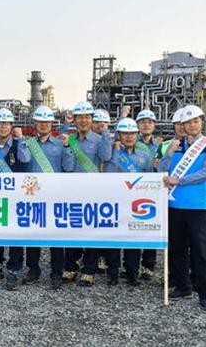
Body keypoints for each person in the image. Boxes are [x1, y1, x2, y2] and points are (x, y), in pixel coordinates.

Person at [159, 105, 206, 311]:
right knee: (177, 248)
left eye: (195, 121)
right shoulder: (175, 145)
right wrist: (168, 154)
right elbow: (161, 170)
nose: (192, 125)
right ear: (182, 125)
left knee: (200, 250)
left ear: (201, 122)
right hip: (174, 204)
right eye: (187, 122)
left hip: (197, 205)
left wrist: (179, 180)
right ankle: (183, 286)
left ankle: (205, 292)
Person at [14, 105, 74, 290]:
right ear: (34, 123)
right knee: (33, 236)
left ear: (51, 124)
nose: (43, 124)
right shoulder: (28, 143)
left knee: (56, 237)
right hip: (33, 196)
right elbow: (23, 159)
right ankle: (33, 270)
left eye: (46, 122)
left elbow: (69, 167)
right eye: (40, 121)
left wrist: (68, 147)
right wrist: (21, 140)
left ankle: (56, 272)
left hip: (55, 196)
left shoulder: (60, 143)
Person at [62, 101, 113, 287]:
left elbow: (106, 157)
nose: (83, 121)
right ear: (75, 120)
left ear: (92, 119)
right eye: (79, 117)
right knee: (72, 229)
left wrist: (105, 132)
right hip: (73, 191)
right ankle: (71, 266)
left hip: (94, 191)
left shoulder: (100, 140)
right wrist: (67, 147)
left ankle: (89, 270)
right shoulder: (70, 140)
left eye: (87, 117)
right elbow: (67, 167)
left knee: (92, 230)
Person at [0, 108, 31, 288]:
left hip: (17, 197)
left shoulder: (20, 144)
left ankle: (14, 270)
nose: (3, 127)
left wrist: (21, 140)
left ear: (12, 126)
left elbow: (26, 159)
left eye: (6, 123)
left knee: (16, 233)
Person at [105, 118, 154, 286]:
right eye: (125, 133)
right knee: (113, 239)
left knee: (134, 239)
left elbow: (150, 176)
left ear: (137, 134)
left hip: (135, 203)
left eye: (132, 133)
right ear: (119, 135)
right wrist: (116, 153)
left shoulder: (143, 155)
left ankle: (132, 272)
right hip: (115, 201)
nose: (129, 136)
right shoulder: (112, 153)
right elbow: (109, 173)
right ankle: (112, 273)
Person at [135, 109, 162, 279]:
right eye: (143, 122)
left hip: (153, 192)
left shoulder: (160, 145)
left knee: (150, 229)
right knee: (133, 227)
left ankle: (148, 266)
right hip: (133, 190)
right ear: (138, 125)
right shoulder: (129, 141)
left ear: (154, 125)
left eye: (150, 122)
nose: (146, 125)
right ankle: (130, 266)